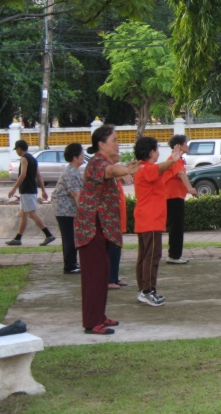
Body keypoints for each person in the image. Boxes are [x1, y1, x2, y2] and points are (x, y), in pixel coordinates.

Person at [74, 125, 139, 334]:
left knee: (102, 273)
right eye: (115, 140)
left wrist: (126, 169)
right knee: (94, 275)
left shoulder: (104, 162)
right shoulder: (96, 163)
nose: (118, 143)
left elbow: (114, 168)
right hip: (91, 227)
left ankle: (99, 316)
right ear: (101, 144)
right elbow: (111, 171)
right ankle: (92, 323)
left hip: (100, 227)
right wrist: (127, 170)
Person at [133, 136, 181, 306]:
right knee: (152, 256)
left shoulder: (140, 167)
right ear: (151, 152)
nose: (158, 153)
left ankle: (143, 290)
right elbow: (160, 168)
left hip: (146, 219)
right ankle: (148, 291)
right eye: (157, 150)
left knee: (145, 256)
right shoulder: (146, 168)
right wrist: (173, 160)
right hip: (151, 219)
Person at [6, 140, 55, 246]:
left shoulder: (24, 159)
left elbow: (22, 175)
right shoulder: (33, 159)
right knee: (24, 214)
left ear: (19, 149)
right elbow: (39, 176)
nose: (17, 152)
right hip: (31, 189)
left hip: (27, 190)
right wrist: (43, 191)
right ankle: (18, 238)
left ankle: (49, 235)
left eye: (17, 150)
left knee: (31, 214)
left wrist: (14, 189)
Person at [162, 135, 198, 265]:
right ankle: (174, 256)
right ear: (179, 145)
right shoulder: (175, 159)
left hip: (176, 196)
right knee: (176, 227)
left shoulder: (177, 159)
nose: (187, 146)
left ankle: (175, 255)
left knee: (176, 226)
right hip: (173, 196)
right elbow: (181, 174)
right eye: (186, 144)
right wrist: (190, 189)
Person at [51, 143, 83, 274]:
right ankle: (69, 266)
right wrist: (83, 212)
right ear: (75, 157)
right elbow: (76, 195)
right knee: (69, 237)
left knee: (72, 237)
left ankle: (72, 263)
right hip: (65, 211)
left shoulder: (74, 171)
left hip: (68, 210)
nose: (83, 156)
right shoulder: (70, 173)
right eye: (81, 154)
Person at [108, 152, 131, 290]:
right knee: (111, 248)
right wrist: (123, 173)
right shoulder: (108, 171)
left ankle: (114, 277)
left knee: (117, 248)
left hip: (118, 216)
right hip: (111, 217)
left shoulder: (115, 171)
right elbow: (114, 173)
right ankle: (109, 279)